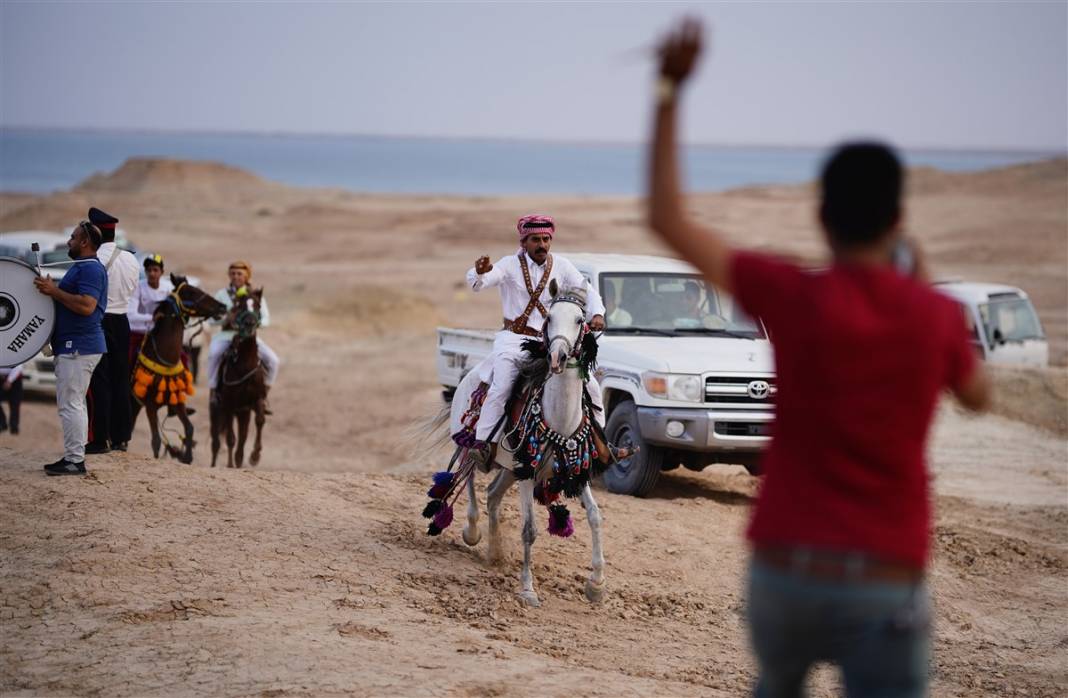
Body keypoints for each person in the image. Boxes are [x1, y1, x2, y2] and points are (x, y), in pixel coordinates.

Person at [647, 20, 991, 697]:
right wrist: (920, 286)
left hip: (783, 570)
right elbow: (980, 396)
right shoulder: (936, 316)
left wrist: (669, 89)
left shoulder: (792, 293)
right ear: (897, 222)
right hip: (884, 577)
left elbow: (665, 217)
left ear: (822, 217)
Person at [465, 215, 606, 458]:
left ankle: (602, 446)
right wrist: (478, 274)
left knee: (592, 385)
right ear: (524, 242)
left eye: (546, 239)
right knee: (502, 386)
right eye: (535, 240)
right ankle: (485, 443)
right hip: (513, 340)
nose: (542, 244)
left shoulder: (562, 265)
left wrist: (598, 314)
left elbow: (588, 290)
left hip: (548, 342)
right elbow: (482, 282)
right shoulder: (509, 264)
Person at [33, 221, 109, 476]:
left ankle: (75, 460)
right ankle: (73, 456)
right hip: (77, 346)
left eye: (73, 237)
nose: (69, 241)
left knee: (71, 403)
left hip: (79, 347)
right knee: (74, 403)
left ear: (85, 242)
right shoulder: (84, 268)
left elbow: (87, 306)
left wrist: (54, 291)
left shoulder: (90, 270)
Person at [85, 207, 139, 453]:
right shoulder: (130, 258)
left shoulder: (94, 260)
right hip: (122, 322)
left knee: (99, 381)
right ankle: (121, 437)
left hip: (100, 321)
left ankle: (99, 438)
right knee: (121, 380)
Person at [206, 261, 279, 407]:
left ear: (246, 276)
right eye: (232, 273)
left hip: (249, 338)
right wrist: (226, 319)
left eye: (239, 274)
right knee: (214, 354)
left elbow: (266, 318)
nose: (236, 276)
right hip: (226, 336)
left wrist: (253, 323)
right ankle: (213, 390)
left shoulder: (255, 294)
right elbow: (211, 319)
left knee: (273, 360)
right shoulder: (221, 294)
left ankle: (263, 394)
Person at [0, 363, 24, 435]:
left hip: (15, 379)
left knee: (15, 403)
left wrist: (9, 380)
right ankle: (2, 423)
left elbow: (19, 366)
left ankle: (14, 426)